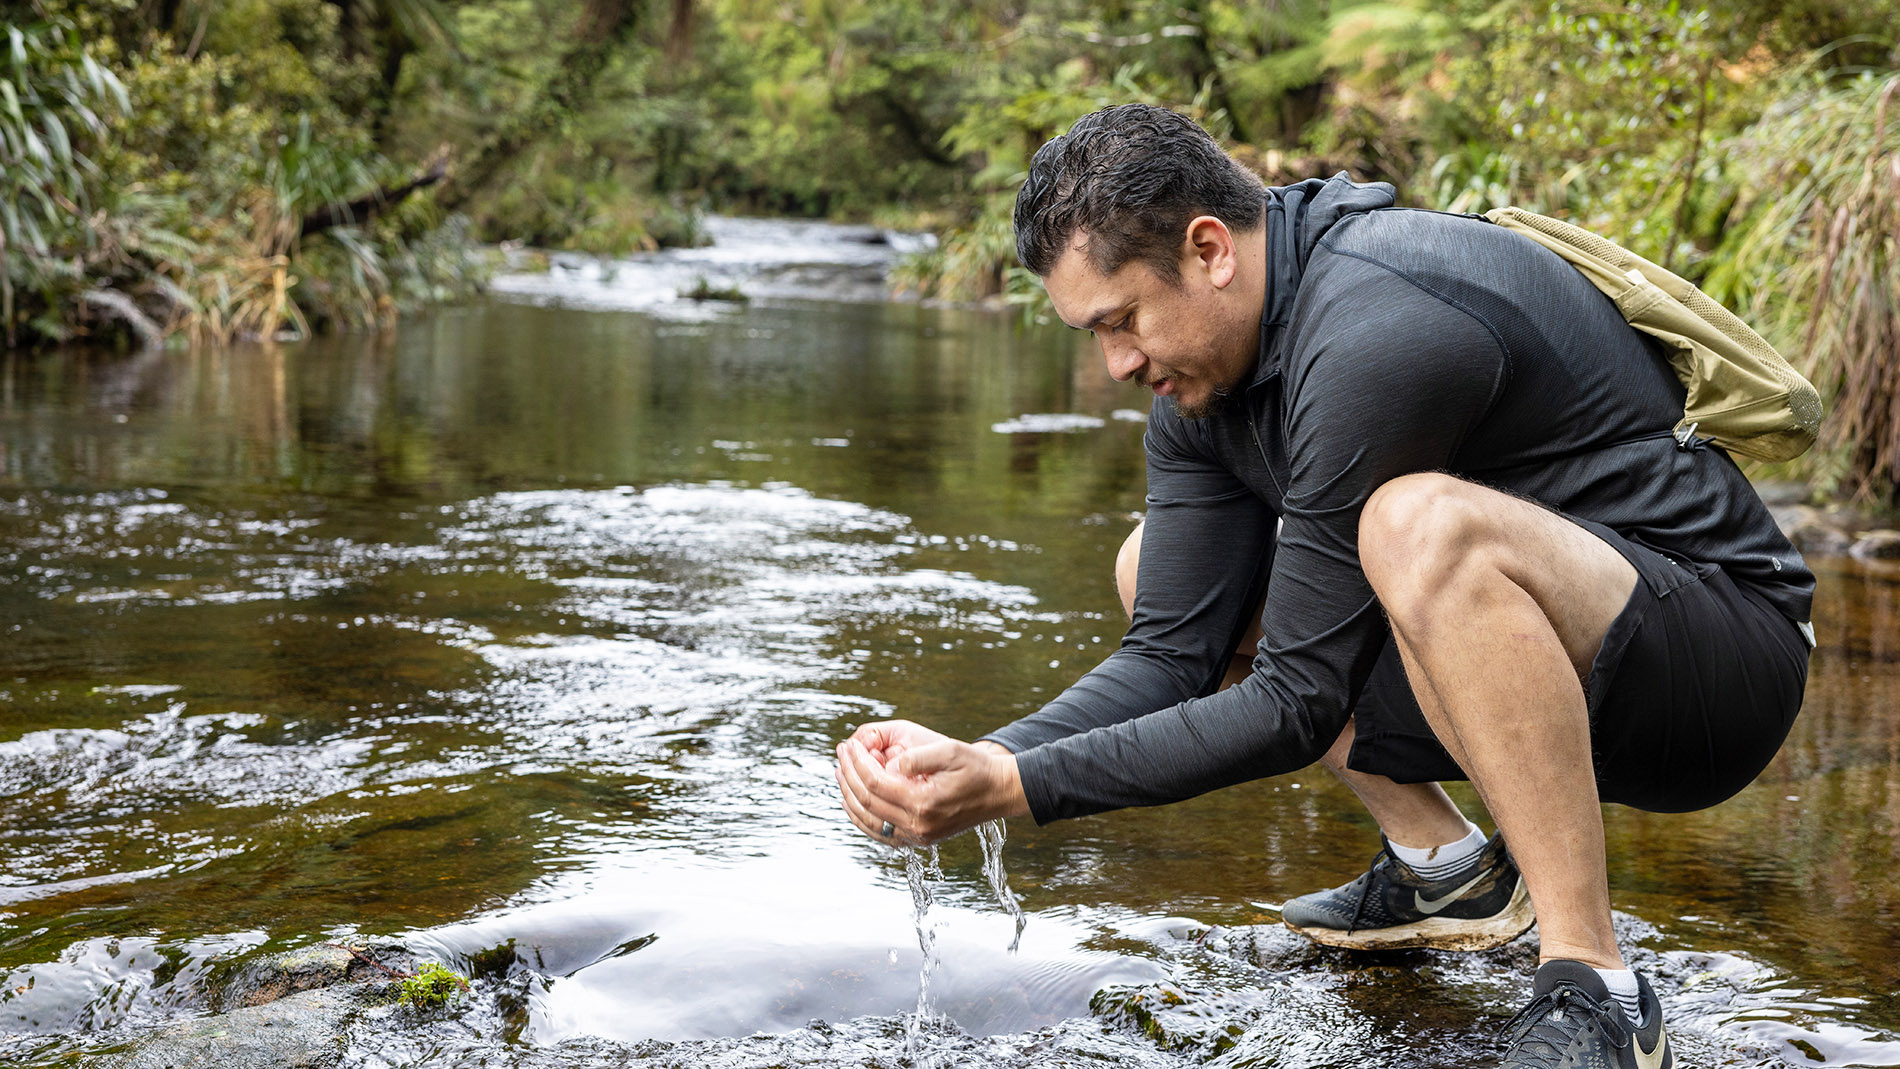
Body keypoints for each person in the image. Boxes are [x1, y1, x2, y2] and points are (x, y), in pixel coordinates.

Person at [833, 102, 1812, 1068]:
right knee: (1152, 566)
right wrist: (979, 755)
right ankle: (1446, 872)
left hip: (1716, 663)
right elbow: (1173, 654)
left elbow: (1296, 701)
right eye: (1094, 334)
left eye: (1122, 320)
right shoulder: (1206, 385)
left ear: (1210, 248)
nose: (1117, 363)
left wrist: (1014, 790)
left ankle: (1595, 984)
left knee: (1416, 526)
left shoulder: (1377, 318)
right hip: (1532, 660)